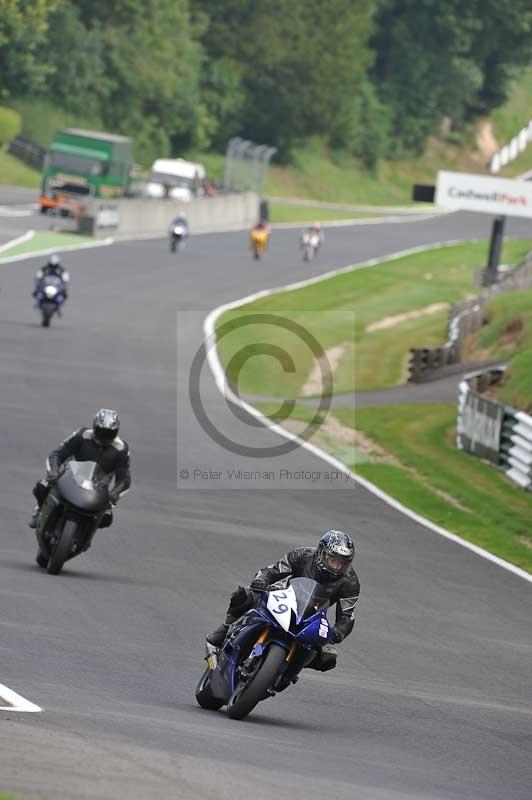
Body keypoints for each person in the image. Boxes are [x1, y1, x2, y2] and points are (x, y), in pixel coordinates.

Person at [206, 530, 360, 672]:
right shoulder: (302, 555)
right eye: (333, 560)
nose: (337, 567)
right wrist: (261, 580)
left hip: (313, 615)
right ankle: (222, 633)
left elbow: (347, 616)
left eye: (342, 563)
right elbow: (272, 571)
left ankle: (289, 672)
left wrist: (336, 633)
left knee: (328, 656)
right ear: (321, 553)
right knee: (244, 595)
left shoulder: (350, 582)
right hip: (284, 598)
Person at [29, 409, 131, 535]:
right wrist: (53, 472)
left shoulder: (121, 449)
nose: (104, 437)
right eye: (101, 431)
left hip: (98, 488)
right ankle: (40, 511)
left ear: (116, 432)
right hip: (69, 477)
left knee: (106, 518)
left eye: (109, 433)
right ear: (94, 427)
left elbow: (124, 479)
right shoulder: (82, 435)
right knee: (41, 487)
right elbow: (57, 454)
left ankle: (86, 534)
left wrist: (113, 496)